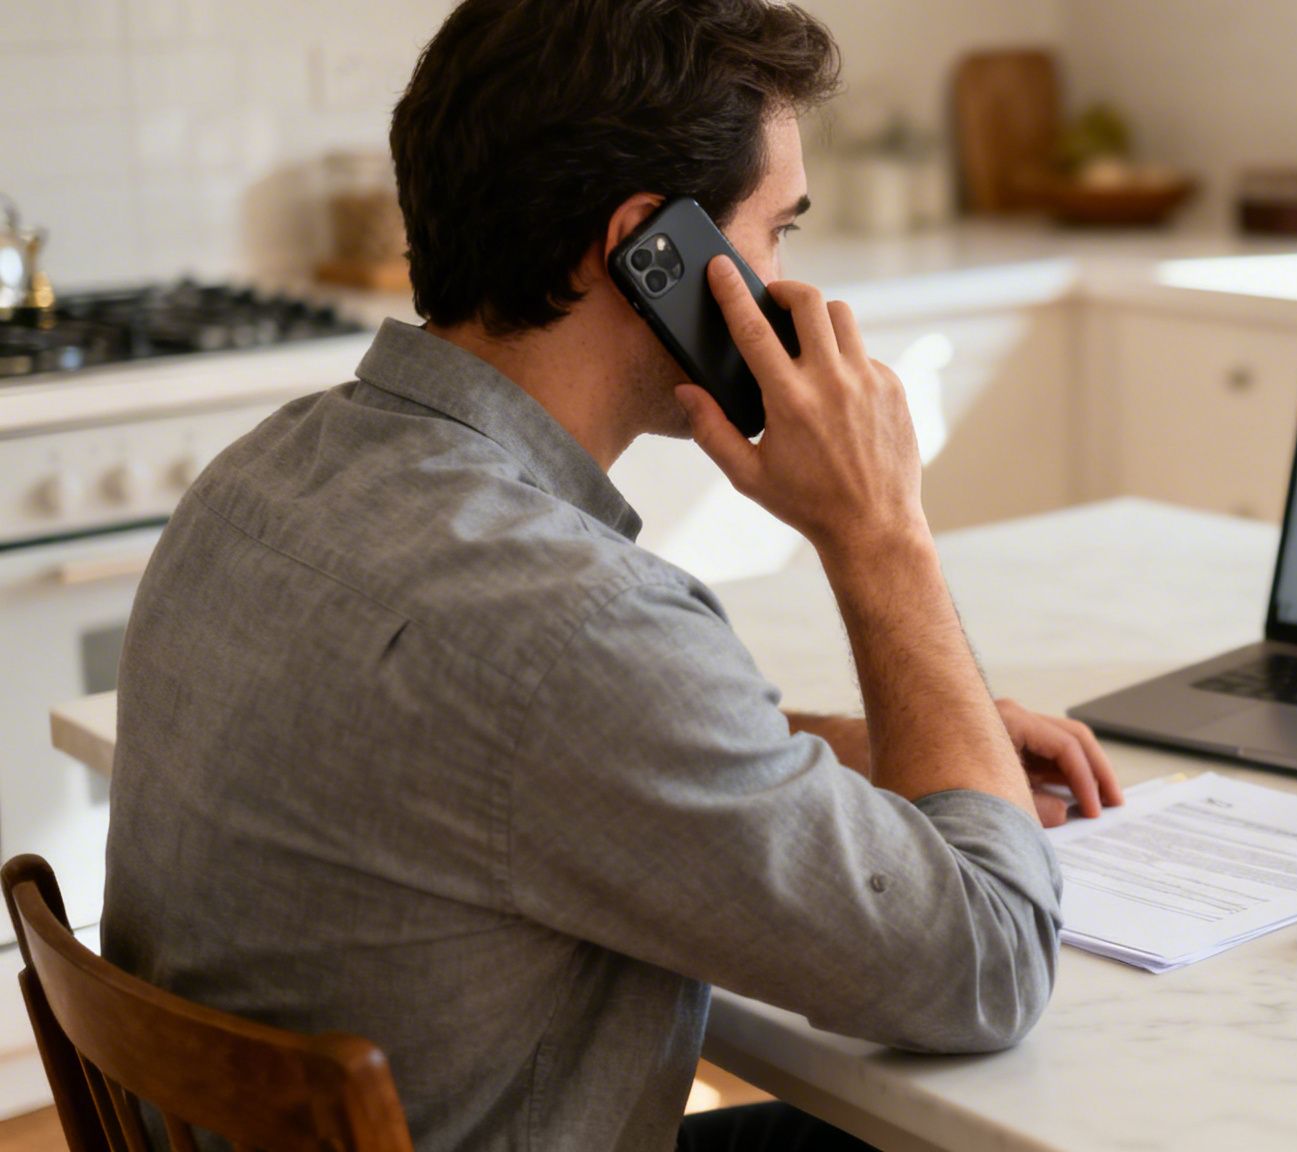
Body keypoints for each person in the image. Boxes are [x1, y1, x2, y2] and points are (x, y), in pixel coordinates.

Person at [101, 1, 1121, 1149]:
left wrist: (876, 747)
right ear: (656, 255)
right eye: (775, 232)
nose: (788, 283)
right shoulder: (573, 624)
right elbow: (988, 963)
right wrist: (883, 534)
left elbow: (515, 738)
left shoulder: (255, 481)